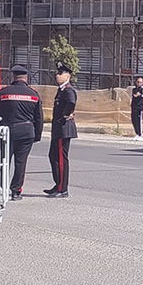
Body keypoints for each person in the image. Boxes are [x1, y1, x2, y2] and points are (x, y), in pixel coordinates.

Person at [0, 65, 44, 201]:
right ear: (26, 78)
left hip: (7, 131)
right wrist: (37, 135)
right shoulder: (34, 94)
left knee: (4, 161)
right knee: (21, 163)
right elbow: (39, 117)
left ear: (14, 77)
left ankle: (0, 189)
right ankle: (16, 191)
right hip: (26, 132)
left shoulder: (4, 93)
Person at [44, 62, 78, 198]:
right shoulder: (61, 89)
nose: (57, 75)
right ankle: (57, 184)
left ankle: (62, 189)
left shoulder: (68, 90)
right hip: (58, 128)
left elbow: (71, 103)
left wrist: (65, 114)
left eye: (60, 73)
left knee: (61, 159)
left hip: (64, 128)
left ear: (67, 76)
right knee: (53, 156)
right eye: (57, 73)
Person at [131, 77, 143, 141]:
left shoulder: (142, 88)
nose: (138, 83)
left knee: (139, 121)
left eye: (140, 82)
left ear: (142, 83)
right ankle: (137, 133)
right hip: (133, 106)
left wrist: (138, 94)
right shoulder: (134, 89)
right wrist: (137, 94)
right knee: (134, 121)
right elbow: (135, 95)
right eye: (137, 82)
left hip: (139, 107)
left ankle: (140, 134)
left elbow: (140, 95)